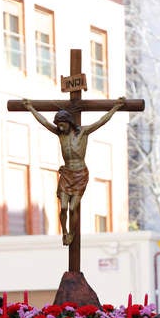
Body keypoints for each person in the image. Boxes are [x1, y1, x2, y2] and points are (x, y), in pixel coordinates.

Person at [22, 97, 126, 245]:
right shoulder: (60, 134)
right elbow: (44, 122)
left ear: (69, 122)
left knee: (72, 208)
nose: (60, 127)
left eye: (62, 124)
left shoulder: (83, 132)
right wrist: (31, 108)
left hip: (80, 174)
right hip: (67, 174)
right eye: (58, 125)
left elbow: (101, 121)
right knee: (63, 207)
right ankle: (64, 232)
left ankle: (72, 233)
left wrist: (115, 107)